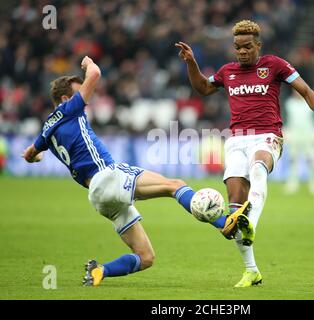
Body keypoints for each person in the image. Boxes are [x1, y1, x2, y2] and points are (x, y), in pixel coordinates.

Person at [22, 56, 248, 287]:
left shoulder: (46, 131)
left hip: (98, 197)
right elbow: (96, 74)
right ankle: (224, 223)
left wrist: (36, 155)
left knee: (146, 257)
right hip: (108, 176)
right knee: (176, 185)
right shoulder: (70, 109)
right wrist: (88, 63)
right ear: (65, 99)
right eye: (80, 95)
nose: (85, 101)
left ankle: (100, 271)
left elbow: (29, 153)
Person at [175, 20, 314, 287]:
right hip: (236, 141)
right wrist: (191, 63)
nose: (241, 52)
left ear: (258, 45)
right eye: (237, 47)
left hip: (268, 135)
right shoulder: (227, 71)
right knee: (233, 202)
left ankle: (249, 221)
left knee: (258, 167)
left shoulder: (274, 65)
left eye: (246, 47)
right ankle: (251, 269)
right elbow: (203, 88)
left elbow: (306, 90)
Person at [283, 90, 314, 196]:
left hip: (308, 133)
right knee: (293, 159)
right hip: (294, 133)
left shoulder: (308, 103)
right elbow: (286, 118)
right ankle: (292, 183)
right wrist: (286, 131)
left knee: (310, 159)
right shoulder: (289, 104)